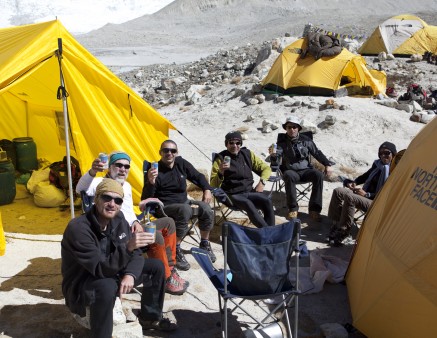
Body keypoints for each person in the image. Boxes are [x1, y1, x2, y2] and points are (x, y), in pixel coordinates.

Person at [62, 178, 177, 337]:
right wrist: (128, 246)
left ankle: (149, 318)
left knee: (155, 267)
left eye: (118, 200)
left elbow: (135, 254)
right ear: (96, 199)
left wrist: (130, 274)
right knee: (107, 286)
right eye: (106, 198)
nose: (112, 204)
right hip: (84, 281)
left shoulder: (119, 219)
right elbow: (99, 268)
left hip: (113, 270)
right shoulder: (79, 228)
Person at [76, 151, 188, 295]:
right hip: (117, 232)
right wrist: (92, 171)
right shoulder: (99, 183)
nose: (123, 169)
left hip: (132, 225)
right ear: (110, 167)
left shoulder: (127, 186)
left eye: (127, 166)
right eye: (119, 165)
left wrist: (135, 221)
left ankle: (171, 269)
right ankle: (165, 278)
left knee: (169, 223)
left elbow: (128, 210)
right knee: (156, 238)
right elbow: (80, 189)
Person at [142, 140, 216, 267]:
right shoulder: (154, 169)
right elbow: (146, 198)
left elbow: (198, 176)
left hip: (184, 202)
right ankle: (175, 248)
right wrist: (151, 182)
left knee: (205, 208)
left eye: (173, 151)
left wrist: (207, 189)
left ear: (177, 152)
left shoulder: (181, 163)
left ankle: (204, 243)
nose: (169, 153)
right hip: (164, 206)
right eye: (166, 150)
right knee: (185, 210)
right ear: (160, 152)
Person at [327, 141, 397, 246]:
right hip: (365, 196)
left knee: (350, 197)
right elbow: (365, 176)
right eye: (381, 153)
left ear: (393, 154)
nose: (383, 156)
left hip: (378, 202)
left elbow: (388, 194)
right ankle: (336, 225)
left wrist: (367, 195)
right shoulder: (377, 164)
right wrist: (354, 183)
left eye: (387, 153)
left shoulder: (395, 171)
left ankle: (344, 232)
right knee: (338, 191)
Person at [269, 116, 334, 221]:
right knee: (289, 175)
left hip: (306, 170)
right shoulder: (281, 142)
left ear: (298, 128)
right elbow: (276, 160)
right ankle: (293, 208)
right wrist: (273, 156)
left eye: (294, 127)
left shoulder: (306, 140)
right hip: (291, 171)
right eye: (289, 127)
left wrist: (327, 164)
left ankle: (314, 210)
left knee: (318, 175)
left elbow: (317, 153)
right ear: (286, 129)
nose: (292, 130)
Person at [210, 131, 275, 228]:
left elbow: (266, 168)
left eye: (237, 143)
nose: (234, 146)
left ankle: (270, 232)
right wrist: (221, 172)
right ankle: (269, 233)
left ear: (241, 144)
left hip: (249, 191)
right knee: (248, 204)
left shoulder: (247, 154)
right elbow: (213, 185)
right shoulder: (220, 159)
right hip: (232, 195)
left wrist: (262, 182)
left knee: (267, 201)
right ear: (226, 144)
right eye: (231, 143)